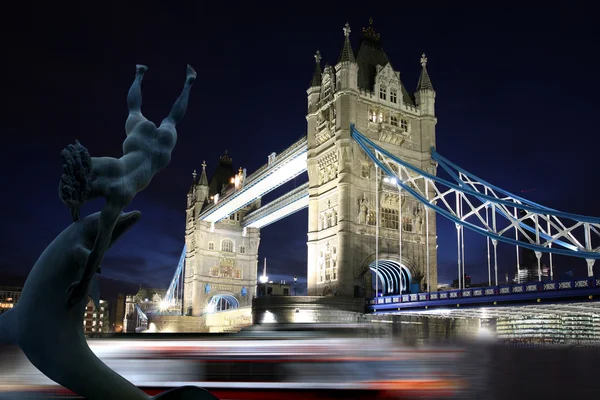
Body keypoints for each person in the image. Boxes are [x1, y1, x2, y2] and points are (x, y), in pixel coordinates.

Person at [60, 64, 196, 306]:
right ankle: (142, 74)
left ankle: (185, 82)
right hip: (142, 141)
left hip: (158, 155)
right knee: (136, 110)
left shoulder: (119, 195)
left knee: (171, 120)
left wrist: (84, 283)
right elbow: (79, 163)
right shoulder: (107, 166)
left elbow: (99, 248)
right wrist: (74, 197)